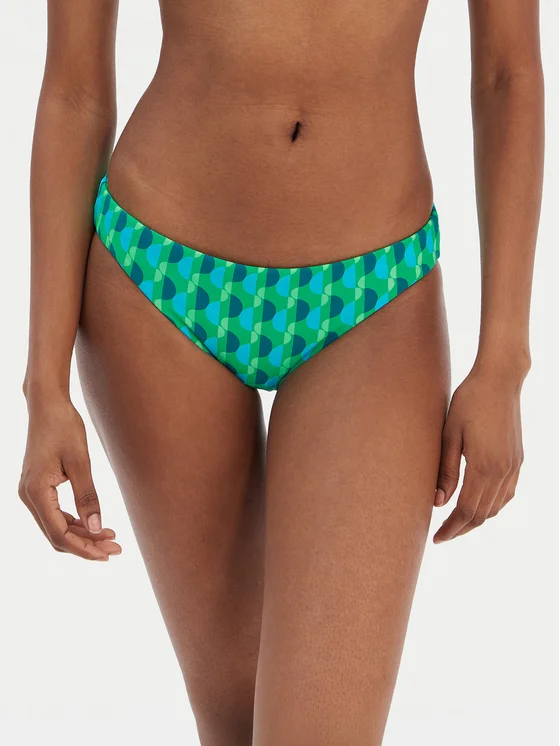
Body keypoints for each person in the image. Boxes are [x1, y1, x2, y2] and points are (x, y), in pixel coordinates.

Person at [19, 1, 544, 743]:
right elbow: (74, 91)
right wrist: (43, 387)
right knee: (236, 727)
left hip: (372, 296)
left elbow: (507, 74)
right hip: (162, 280)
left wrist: (505, 361)